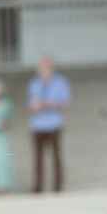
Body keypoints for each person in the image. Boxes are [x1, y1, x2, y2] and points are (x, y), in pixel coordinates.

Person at [28, 56, 71, 193]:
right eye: (42, 67)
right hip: (37, 124)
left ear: (51, 67)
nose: (44, 69)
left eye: (47, 67)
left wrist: (47, 104)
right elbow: (31, 104)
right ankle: (38, 186)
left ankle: (58, 185)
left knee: (56, 156)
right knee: (37, 158)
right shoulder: (34, 83)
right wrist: (36, 106)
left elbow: (64, 103)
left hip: (54, 124)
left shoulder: (61, 82)